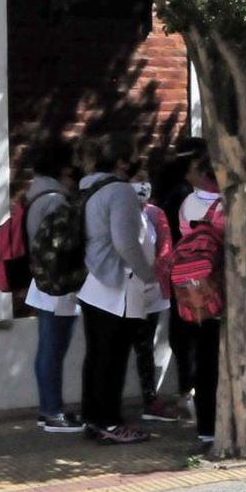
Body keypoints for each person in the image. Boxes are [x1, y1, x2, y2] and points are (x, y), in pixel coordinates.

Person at [75, 134, 156, 445]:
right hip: (116, 284)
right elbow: (125, 243)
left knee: (96, 356)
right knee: (113, 358)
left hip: (91, 283)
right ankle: (110, 422)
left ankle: (94, 420)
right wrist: (148, 274)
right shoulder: (119, 191)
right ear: (122, 162)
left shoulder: (87, 187)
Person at [23, 140, 84, 433]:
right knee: (53, 348)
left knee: (48, 347)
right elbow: (64, 247)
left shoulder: (37, 194)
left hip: (43, 280)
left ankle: (49, 407)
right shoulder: (56, 200)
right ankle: (52, 412)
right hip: (58, 282)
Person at [155, 136, 207, 421]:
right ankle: (191, 390)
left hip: (181, 269)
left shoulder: (174, 191)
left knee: (185, 331)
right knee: (191, 333)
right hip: (190, 270)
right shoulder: (184, 195)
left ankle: (189, 389)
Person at [177, 150, 224, 447]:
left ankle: (205, 427)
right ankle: (224, 423)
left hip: (193, 292)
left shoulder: (187, 203)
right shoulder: (229, 205)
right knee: (221, 360)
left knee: (204, 360)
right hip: (224, 292)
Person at [128, 168, 177, 423]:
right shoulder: (122, 212)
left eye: (145, 179)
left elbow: (166, 247)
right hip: (126, 290)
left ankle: (150, 397)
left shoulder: (155, 214)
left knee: (146, 345)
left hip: (153, 290)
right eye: (136, 180)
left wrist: (156, 272)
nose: (142, 185)